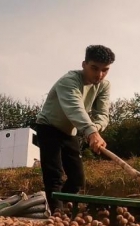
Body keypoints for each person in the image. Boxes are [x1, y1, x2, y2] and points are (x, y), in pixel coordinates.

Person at [34, 44, 114, 213]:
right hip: (48, 127)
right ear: (84, 64)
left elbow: (103, 114)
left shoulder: (103, 86)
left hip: (70, 132)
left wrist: (95, 130)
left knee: (77, 178)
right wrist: (91, 131)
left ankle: (65, 209)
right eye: (94, 68)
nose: (99, 75)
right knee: (54, 173)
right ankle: (57, 213)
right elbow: (74, 108)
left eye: (105, 70)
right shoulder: (68, 81)